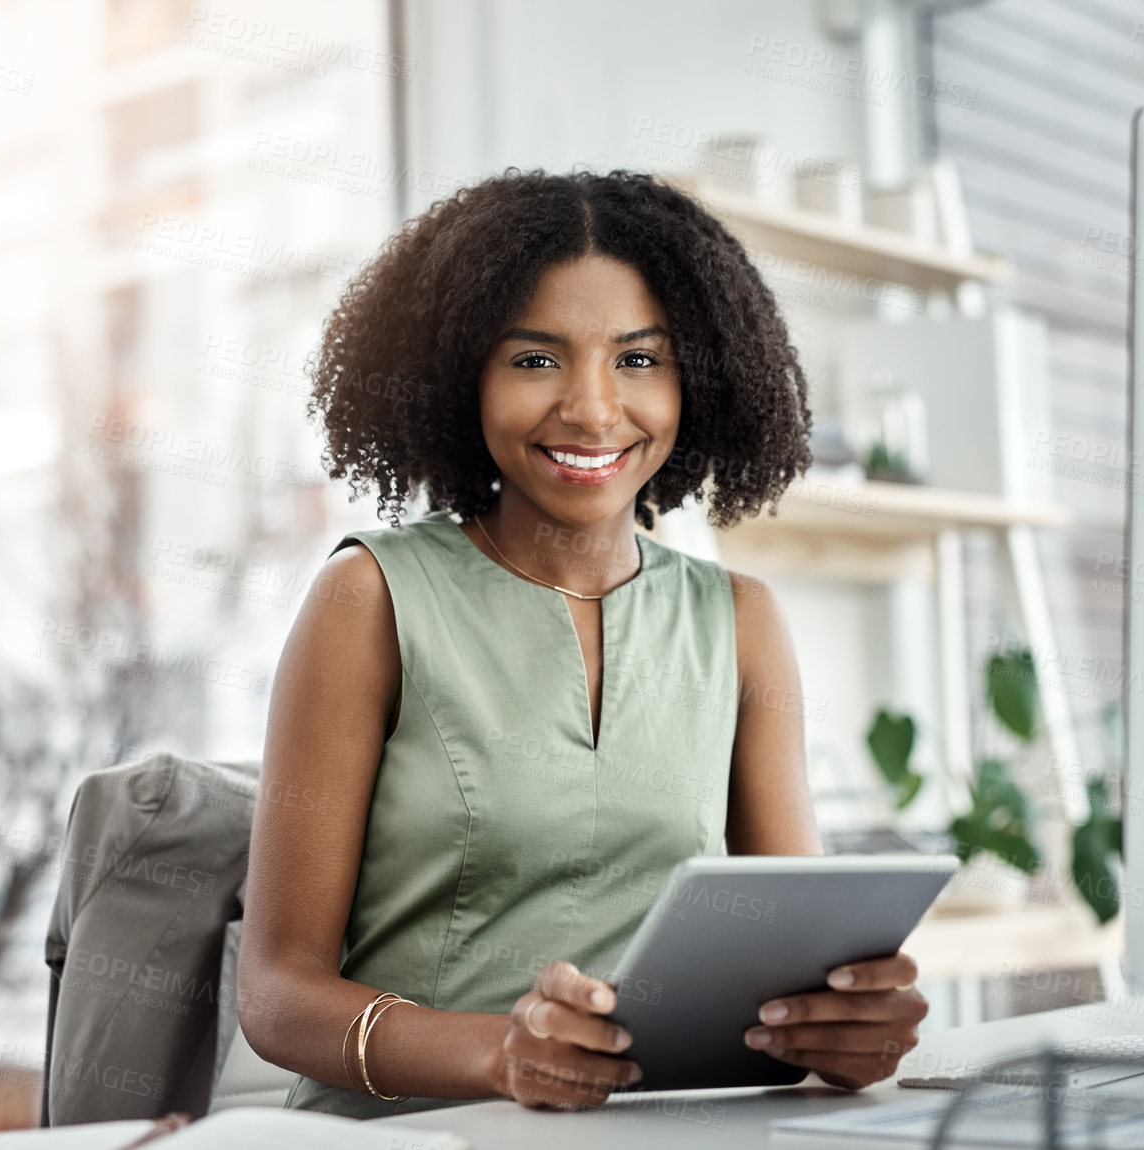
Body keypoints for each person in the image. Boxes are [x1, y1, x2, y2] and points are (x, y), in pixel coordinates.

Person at [237, 170, 927, 1118]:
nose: (595, 410)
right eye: (535, 360)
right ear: (458, 374)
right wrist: (498, 1056)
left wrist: (840, 1031)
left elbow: (789, 958)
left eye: (640, 360)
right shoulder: (367, 599)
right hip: (413, 1136)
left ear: (702, 376)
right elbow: (276, 996)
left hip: (647, 1133)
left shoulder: (740, 621)